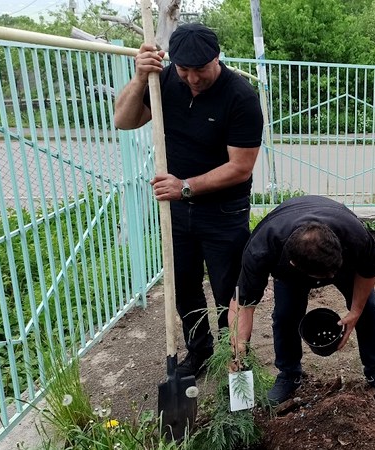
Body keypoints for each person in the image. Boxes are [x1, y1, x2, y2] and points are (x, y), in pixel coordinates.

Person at [113, 23, 264, 377]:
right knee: (184, 286)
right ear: (172, 64)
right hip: (178, 213)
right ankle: (199, 354)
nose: (193, 79)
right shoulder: (163, 81)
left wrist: (184, 186)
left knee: (230, 290)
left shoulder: (240, 97)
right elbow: (123, 120)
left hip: (225, 211)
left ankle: (234, 360)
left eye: (201, 70)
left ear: (217, 58)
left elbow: (240, 167)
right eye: (184, 71)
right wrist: (140, 78)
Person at [228, 195, 375, 405]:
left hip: (339, 260)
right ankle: (289, 374)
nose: (329, 280)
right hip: (289, 271)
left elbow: (368, 273)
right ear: (293, 263)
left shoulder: (354, 235)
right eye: (324, 277)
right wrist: (238, 349)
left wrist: (355, 311)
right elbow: (242, 306)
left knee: (369, 310)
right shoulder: (262, 249)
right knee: (285, 316)